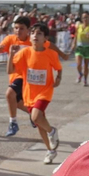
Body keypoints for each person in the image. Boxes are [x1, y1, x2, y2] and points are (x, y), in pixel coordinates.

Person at [15, 23, 64, 164]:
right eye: (33, 33)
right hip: (29, 93)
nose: (35, 36)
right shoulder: (25, 53)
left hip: (45, 91)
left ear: (46, 38)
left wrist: (59, 78)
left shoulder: (50, 54)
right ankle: (51, 150)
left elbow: (58, 68)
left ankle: (52, 131)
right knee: (38, 122)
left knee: (36, 116)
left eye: (39, 34)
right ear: (30, 37)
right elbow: (13, 67)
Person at [0, 15, 34, 135]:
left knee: (9, 93)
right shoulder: (10, 39)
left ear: (28, 30)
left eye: (21, 28)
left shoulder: (33, 41)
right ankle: (34, 114)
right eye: (16, 28)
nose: (18, 31)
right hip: (14, 76)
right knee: (16, 103)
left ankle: (13, 123)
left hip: (28, 77)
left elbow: (48, 47)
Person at [71, 12, 89, 86]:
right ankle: (80, 74)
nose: (85, 19)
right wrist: (73, 43)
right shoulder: (79, 26)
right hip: (79, 47)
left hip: (87, 48)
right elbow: (76, 35)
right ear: (81, 18)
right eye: (83, 17)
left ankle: (85, 79)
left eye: (86, 17)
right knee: (78, 64)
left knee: (86, 66)